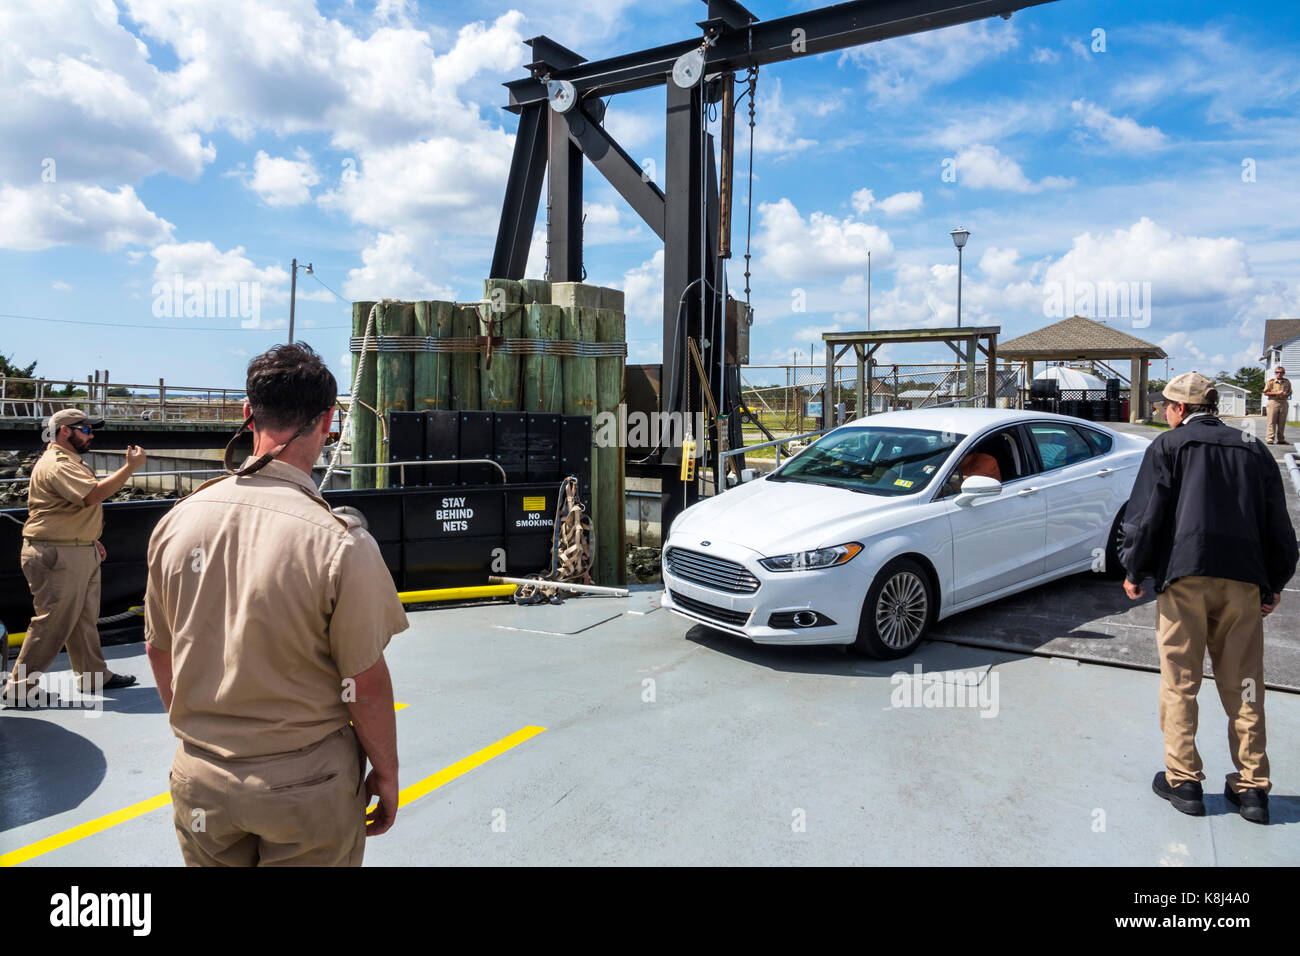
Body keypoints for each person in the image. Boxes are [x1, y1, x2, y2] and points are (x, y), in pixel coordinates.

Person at [144, 343, 408, 866]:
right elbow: (364, 680)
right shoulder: (341, 543)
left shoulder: (176, 523)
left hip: (201, 781)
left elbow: (160, 651)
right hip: (305, 786)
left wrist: (206, 737)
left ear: (247, 413)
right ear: (329, 423)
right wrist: (387, 770)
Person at [1121, 371, 1297, 825]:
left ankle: (1185, 782)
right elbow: (1279, 525)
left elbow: (1146, 516)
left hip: (1184, 578)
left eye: (1166, 406)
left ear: (1180, 409)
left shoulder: (1168, 447)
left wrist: (1134, 568)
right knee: (1245, 686)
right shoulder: (1254, 449)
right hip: (1243, 581)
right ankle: (1253, 788)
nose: (1162, 411)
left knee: (1181, 681)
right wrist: (1274, 583)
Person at [3, 408, 145, 707]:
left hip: (76, 548)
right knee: (52, 622)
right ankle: (19, 687)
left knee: (83, 618)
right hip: (59, 553)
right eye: (86, 429)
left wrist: (89, 538)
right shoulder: (58, 464)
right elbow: (91, 495)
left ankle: (94, 675)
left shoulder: (71, 462)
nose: (92, 435)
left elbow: (66, 507)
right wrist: (130, 468)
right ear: (66, 431)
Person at [1263, 365, 1291, 445]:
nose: (1279, 374)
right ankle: (1270, 438)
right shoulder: (1271, 382)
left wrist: (1287, 394)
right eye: (1277, 372)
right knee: (1271, 421)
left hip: (1283, 402)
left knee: (1282, 422)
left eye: (1281, 372)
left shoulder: (1287, 382)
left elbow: (1290, 391)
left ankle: (1281, 439)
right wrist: (1276, 393)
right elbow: (1265, 392)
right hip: (1273, 402)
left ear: (1284, 373)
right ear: (1275, 373)